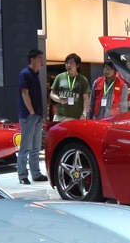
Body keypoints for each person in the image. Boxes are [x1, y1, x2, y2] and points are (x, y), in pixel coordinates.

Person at [16, 48, 46, 184]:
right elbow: (24, 93)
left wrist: (40, 114)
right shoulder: (25, 74)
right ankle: (22, 175)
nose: (42, 61)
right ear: (32, 60)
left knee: (36, 147)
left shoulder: (36, 74)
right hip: (29, 116)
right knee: (26, 147)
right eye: (39, 59)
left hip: (37, 115)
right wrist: (32, 111)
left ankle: (36, 173)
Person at [50, 53, 90, 121]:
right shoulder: (60, 77)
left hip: (75, 117)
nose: (69, 65)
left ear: (77, 65)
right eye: (67, 63)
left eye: (72, 63)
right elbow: (52, 94)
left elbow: (86, 99)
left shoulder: (83, 80)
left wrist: (84, 114)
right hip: (60, 116)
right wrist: (58, 99)